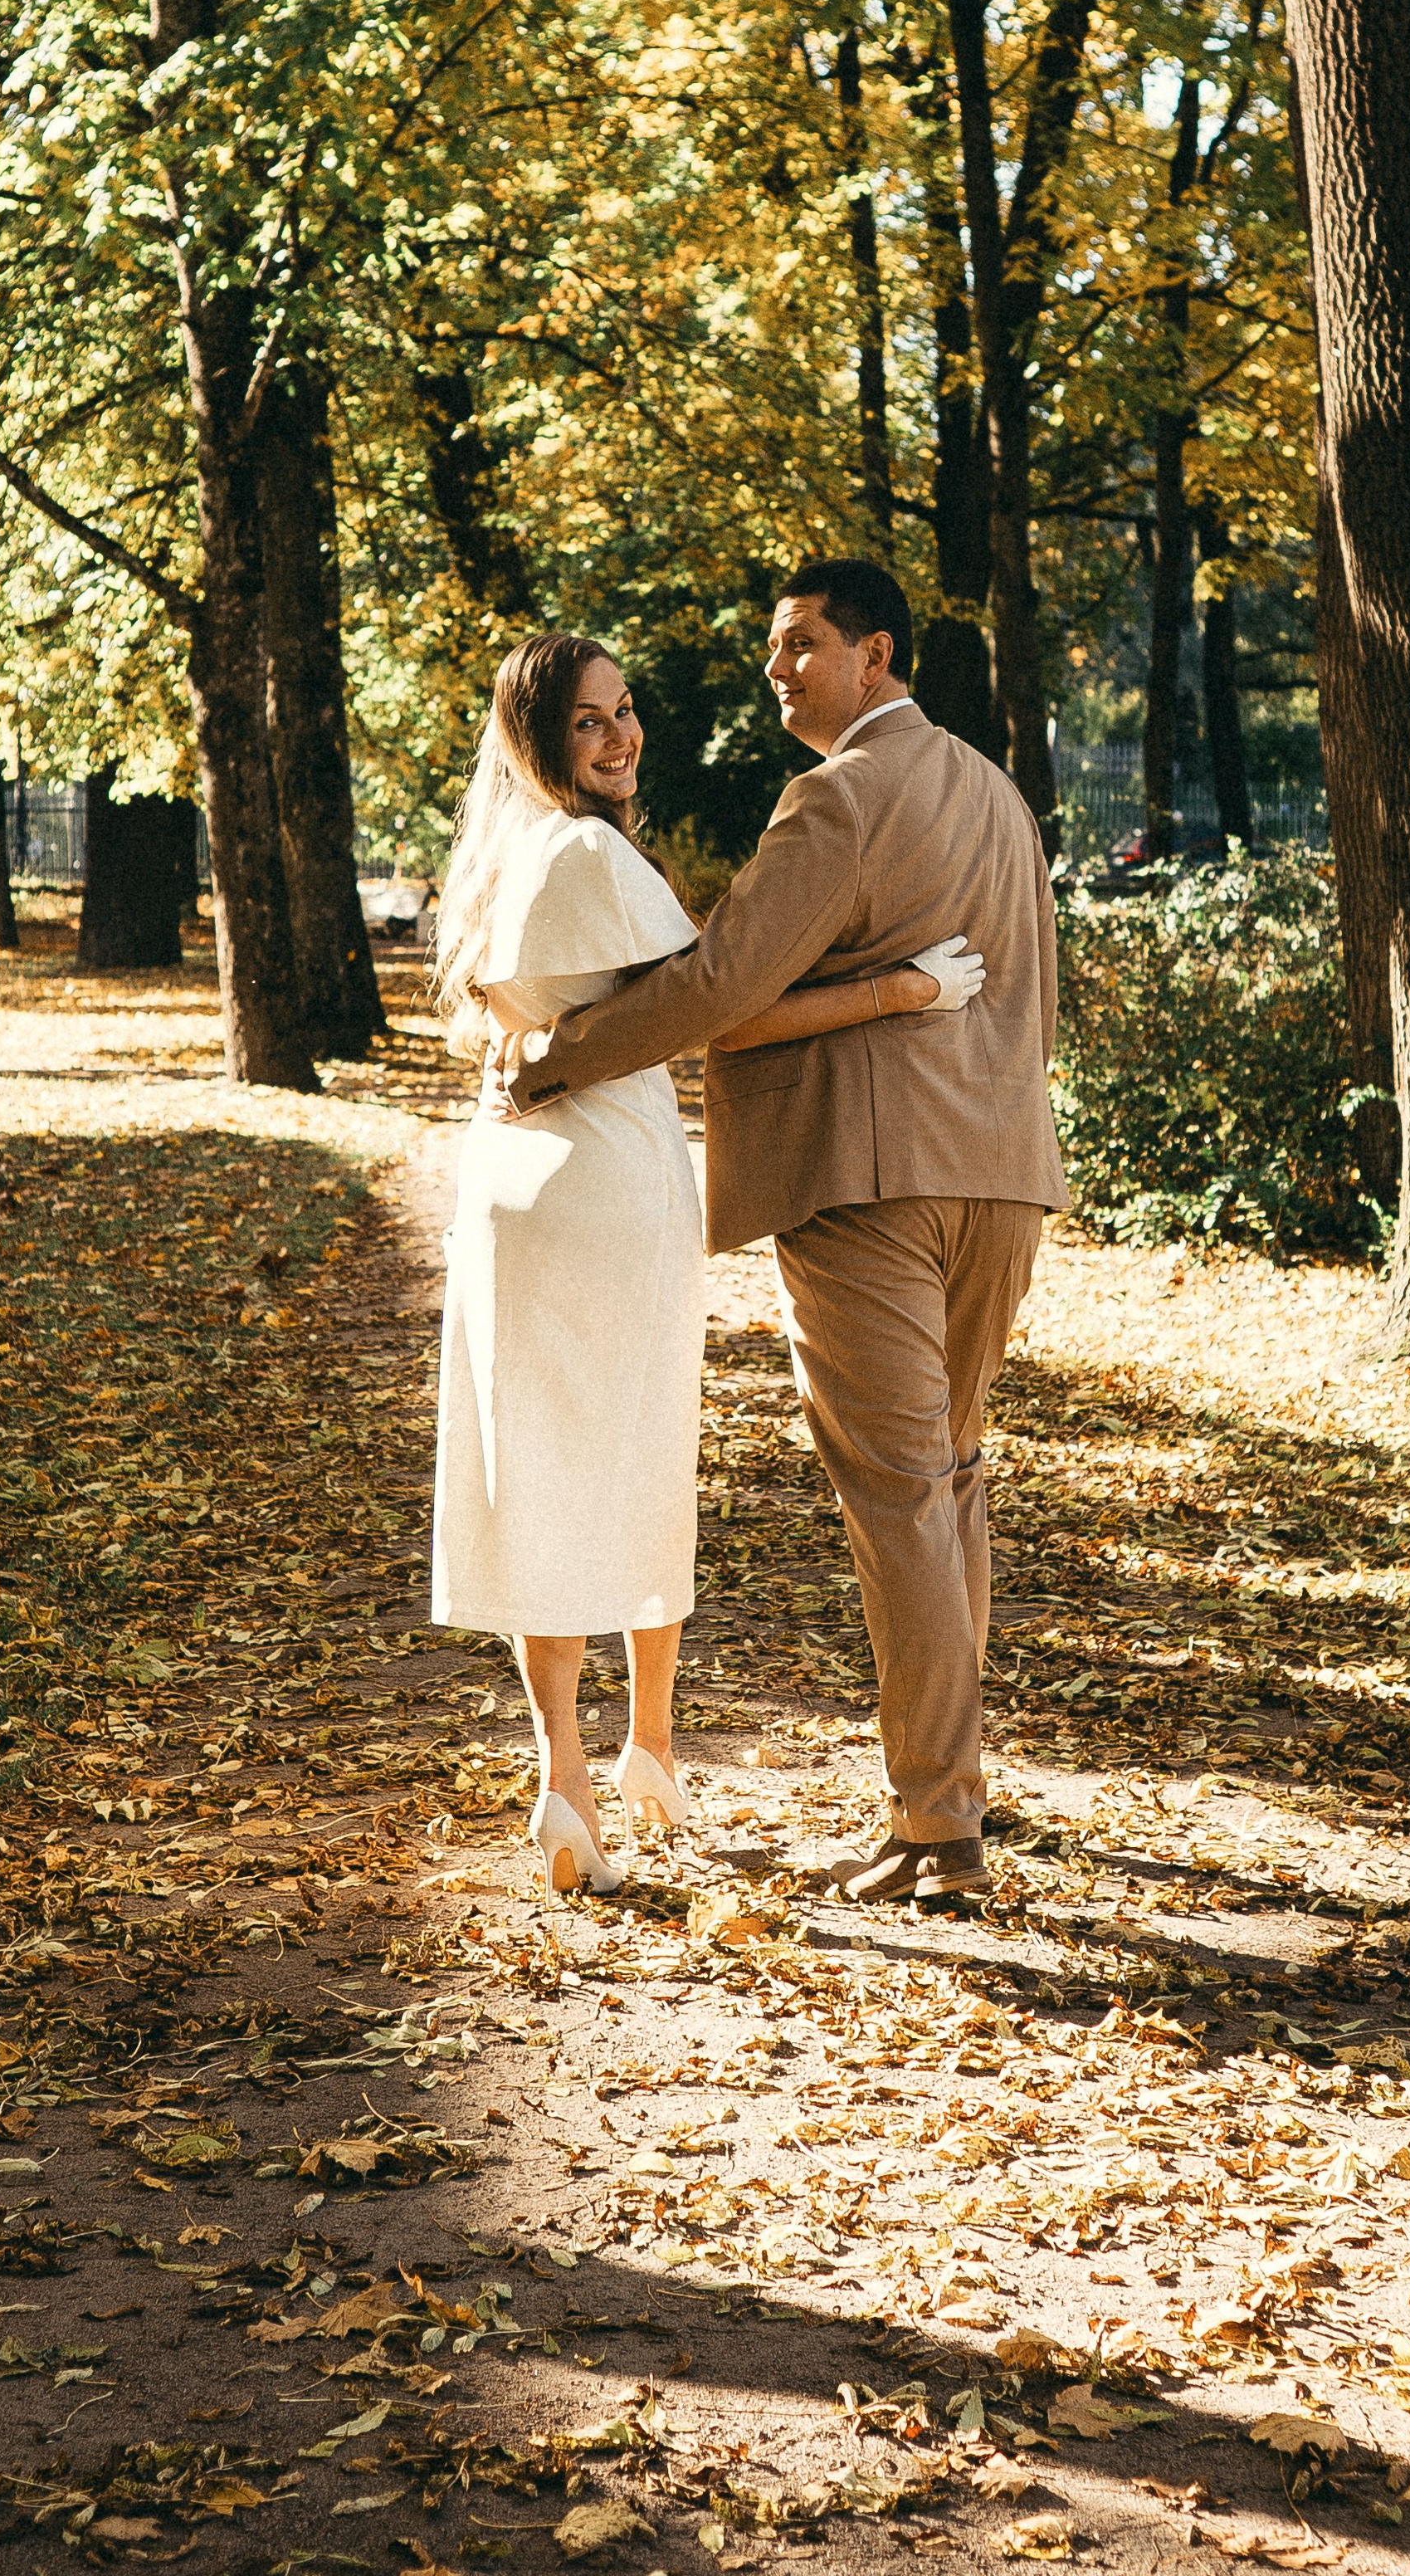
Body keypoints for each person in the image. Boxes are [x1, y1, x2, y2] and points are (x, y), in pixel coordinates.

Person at [501, 559, 1069, 1906]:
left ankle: (939, 1829)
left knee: (899, 1496)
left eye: (800, 644)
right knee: (951, 1481)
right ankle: (951, 1797)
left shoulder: (839, 795)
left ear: (877, 656)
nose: (778, 668)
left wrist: (561, 1055)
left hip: (866, 1180)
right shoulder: (996, 791)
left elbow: (719, 983)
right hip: (1003, 1175)